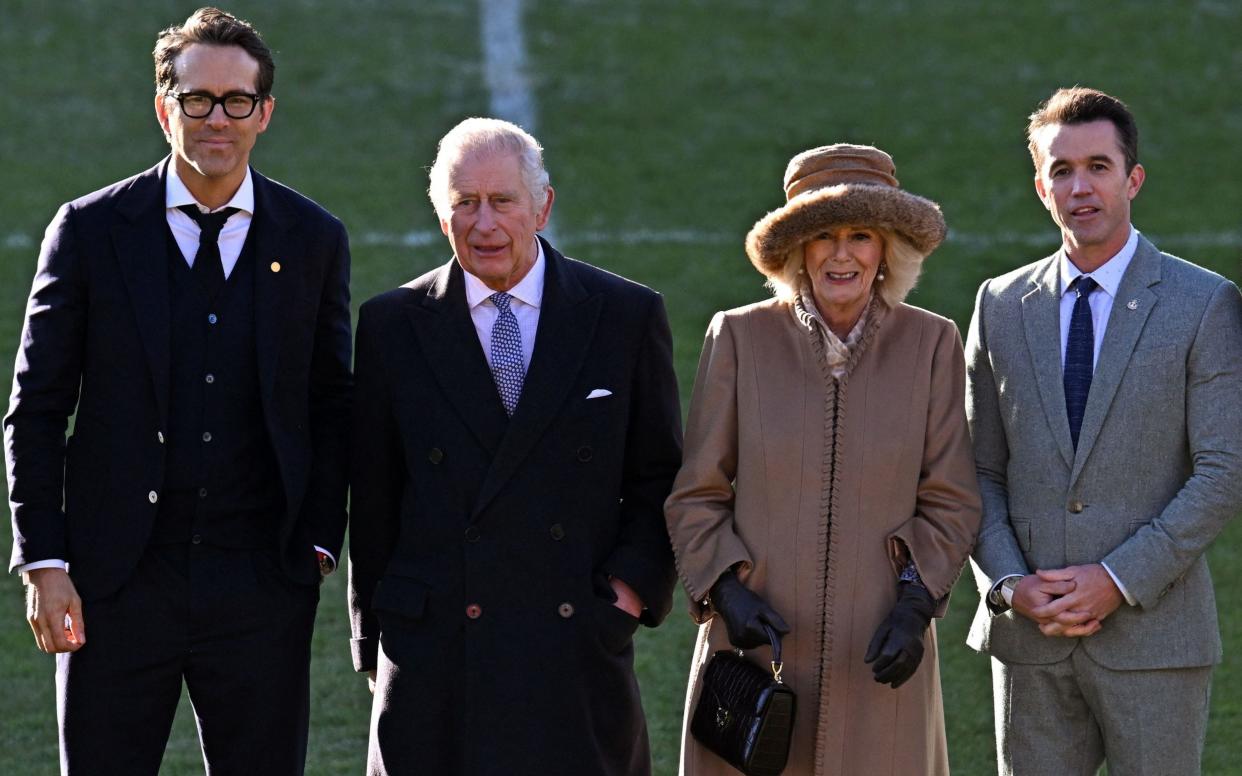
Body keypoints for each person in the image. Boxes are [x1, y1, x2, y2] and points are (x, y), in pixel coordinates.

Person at [4, 8, 351, 774]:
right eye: (197, 99)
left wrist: (318, 547)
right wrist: (46, 562)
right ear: (165, 108)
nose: (215, 117)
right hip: (115, 586)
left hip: (261, 586)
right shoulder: (89, 230)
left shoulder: (313, 237)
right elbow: (36, 407)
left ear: (265, 112)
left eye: (235, 100)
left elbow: (331, 403)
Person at [347, 117, 682, 776]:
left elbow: (660, 479)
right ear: (441, 216)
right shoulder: (391, 325)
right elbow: (376, 496)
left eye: (502, 201)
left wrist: (625, 598)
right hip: (435, 656)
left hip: (573, 647)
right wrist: (374, 637)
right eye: (464, 203)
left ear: (543, 207)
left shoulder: (624, 316)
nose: (484, 224)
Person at [665, 144, 982, 775]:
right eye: (822, 236)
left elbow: (951, 498)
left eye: (860, 235)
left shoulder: (932, 343)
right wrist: (727, 592)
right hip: (757, 652)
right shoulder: (737, 337)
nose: (842, 255)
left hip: (879, 655)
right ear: (797, 251)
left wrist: (915, 605)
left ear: (887, 248)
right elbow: (697, 494)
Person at [966, 86, 1242, 775]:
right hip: (1030, 641)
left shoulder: (1205, 303)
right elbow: (974, 469)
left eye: (1098, 166)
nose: (1080, 186)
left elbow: (1224, 467)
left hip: (1156, 640)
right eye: (1062, 170)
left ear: (1133, 178)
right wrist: (1007, 583)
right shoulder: (999, 304)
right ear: (1040, 186)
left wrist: (1117, 579)